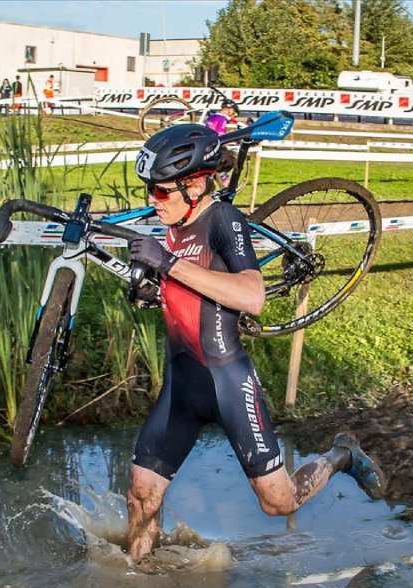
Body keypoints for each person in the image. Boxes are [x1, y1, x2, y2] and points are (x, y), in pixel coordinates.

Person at [123, 124, 389, 561]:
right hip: (182, 386)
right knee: (141, 495)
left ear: (195, 184)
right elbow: (198, 290)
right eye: (150, 190)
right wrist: (155, 291)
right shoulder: (175, 222)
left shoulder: (223, 220)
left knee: (277, 502)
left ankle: (342, 455)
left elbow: (251, 295)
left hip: (226, 383)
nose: (153, 200)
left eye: (162, 191)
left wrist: (167, 265)